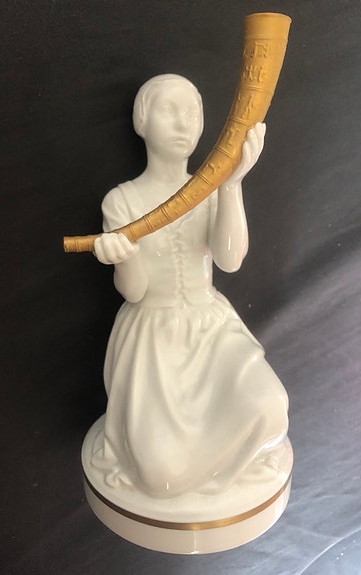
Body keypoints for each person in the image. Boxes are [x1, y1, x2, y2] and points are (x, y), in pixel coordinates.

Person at [91, 74, 289, 498]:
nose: (184, 123)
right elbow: (135, 291)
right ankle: (184, 467)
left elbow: (229, 260)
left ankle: (228, 464)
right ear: (142, 120)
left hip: (211, 331)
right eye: (170, 110)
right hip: (154, 339)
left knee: (272, 407)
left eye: (193, 112)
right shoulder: (121, 201)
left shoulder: (211, 189)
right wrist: (125, 256)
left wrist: (231, 184)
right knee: (162, 478)